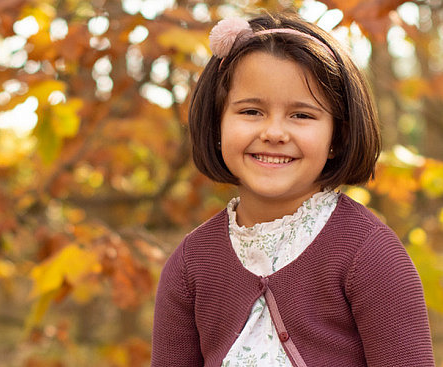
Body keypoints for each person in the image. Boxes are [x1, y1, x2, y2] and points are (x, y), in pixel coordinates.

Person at [151, 12, 434, 366]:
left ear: (338, 134)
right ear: (217, 122)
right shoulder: (190, 265)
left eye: (301, 115)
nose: (274, 133)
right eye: (251, 111)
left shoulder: (370, 256)